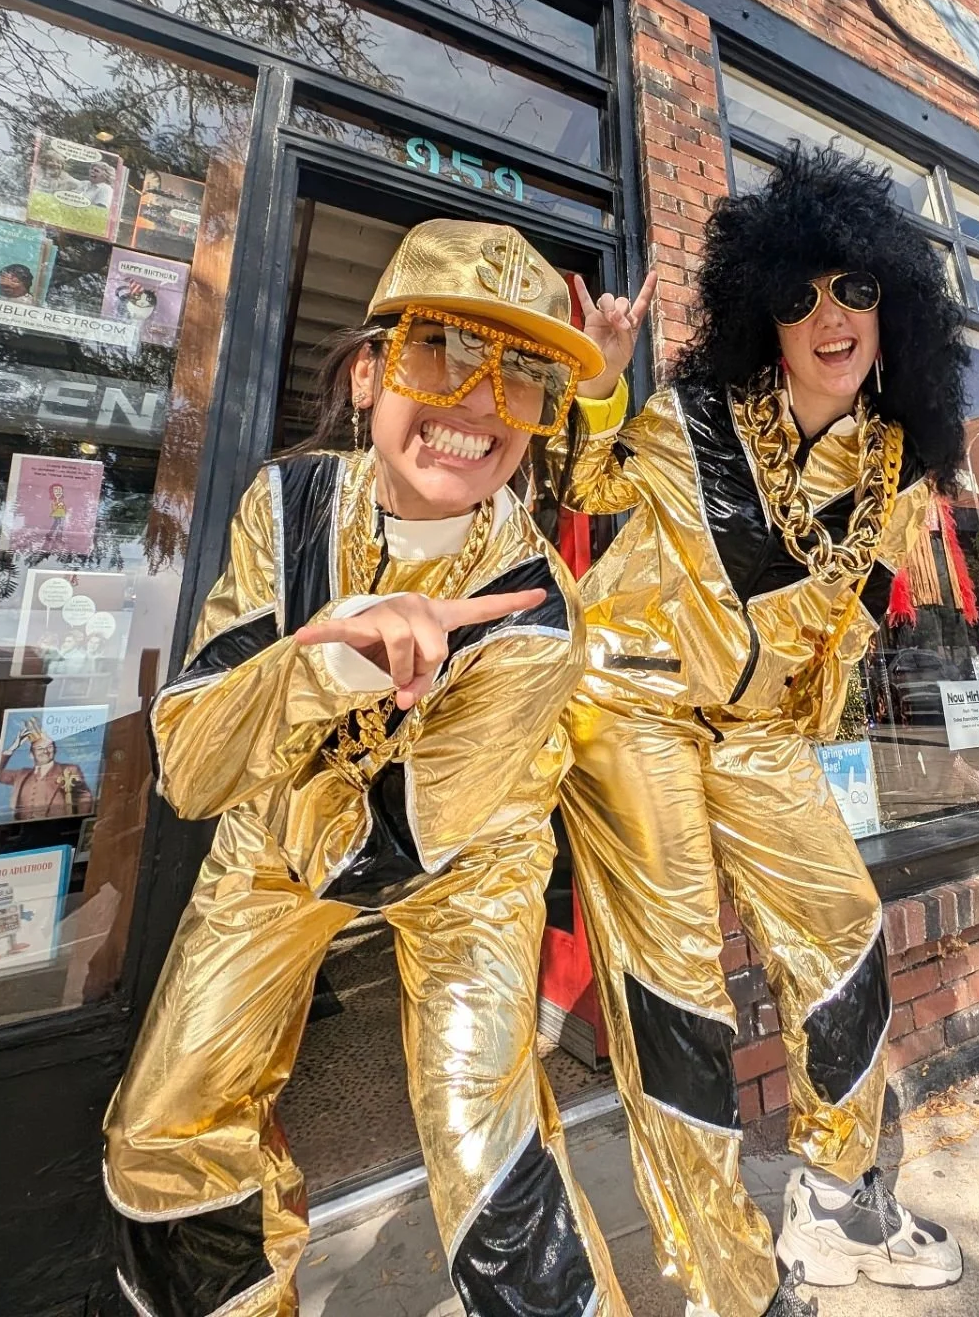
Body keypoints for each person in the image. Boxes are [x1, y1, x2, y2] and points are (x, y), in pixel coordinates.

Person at [104, 219, 629, 1317]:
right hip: (272, 842)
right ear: (367, 372)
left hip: (466, 862)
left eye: (524, 375)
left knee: (488, 1140)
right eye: (446, 350)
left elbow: (405, 843)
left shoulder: (540, 616)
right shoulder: (286, 506)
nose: (480, 403)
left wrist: (280, 721)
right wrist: (331, 659)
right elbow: (190, 765)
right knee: (163, 1129)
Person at [563, 147, 970, 1317]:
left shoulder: (897, 470)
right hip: (631, 701)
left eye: (854, 289)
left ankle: (837, 1201)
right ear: (767, 320)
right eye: (799, 297)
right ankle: (727, 1278)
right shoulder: (691, 418)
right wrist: (602, 385)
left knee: (842, 932)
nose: (830, 317)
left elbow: (842, 627)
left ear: (892, 308)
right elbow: (587, 485)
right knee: (680, 984)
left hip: (757, 733)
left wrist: (809, 716)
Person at [0, 724, 95, 821]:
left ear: (55, 750)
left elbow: (84, 797)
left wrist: (77, 821)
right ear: (31, 755)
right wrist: (12, 748)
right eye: (40, 748)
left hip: (56, 827)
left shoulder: (69, 770)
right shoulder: (21, 774)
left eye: (49, 747)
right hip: (23, 828)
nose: (46, 751)